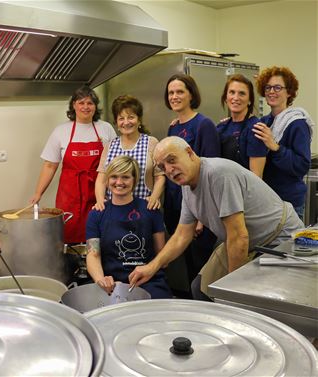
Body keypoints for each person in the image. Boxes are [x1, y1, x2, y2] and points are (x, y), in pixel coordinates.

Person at [129, 136, 304, 300]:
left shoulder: (219, 174)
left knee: (252, 302)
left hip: (277, 240)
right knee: (200, 288)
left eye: (171, 160)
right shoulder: (187, 186)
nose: (168, 170)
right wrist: (152, 267)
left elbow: (239, 237)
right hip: (243, 242)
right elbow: (182, 235)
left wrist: (233, 291)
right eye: (162, 166)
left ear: (189, 153)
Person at [30, 86, 116, 244]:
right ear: (73, 106)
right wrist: (38, 192)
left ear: (95, 106)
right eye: (81, 102)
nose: (85, 107)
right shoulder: (61, 131)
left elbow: (115, 162)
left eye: (90, 103)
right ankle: (72, 265)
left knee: (99, 233)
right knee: (70, 233)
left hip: (98, 191)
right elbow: (50, 165)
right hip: (69, 194)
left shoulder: (106, 128)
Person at [163, 74, 221, 289]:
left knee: (202, 270)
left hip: (199, 211)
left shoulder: (203, 125)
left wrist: (201, 219)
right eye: (171, 93)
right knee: (186, 265)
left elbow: (210, 172)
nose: (175, 96)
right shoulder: (173, 127)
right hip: (176, 206)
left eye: (180, 92)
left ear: (191, 95)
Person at [86, 155, 172, 299]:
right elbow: (93, 254)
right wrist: (101, 280)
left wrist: (148, 271)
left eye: (125, 177)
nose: (119, 182)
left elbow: (161, 255)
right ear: (107, 180)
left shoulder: (150, 209)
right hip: (111, 281)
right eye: (114, 177)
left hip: (148, 281)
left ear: (134, 180)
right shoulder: (97, 213)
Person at [252, 66, 313, 219]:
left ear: (289, 92)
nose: (272, 91)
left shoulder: (297, 123)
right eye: (268, 87)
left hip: (289, 203)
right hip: (267, 200)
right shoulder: (264, 122)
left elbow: (302, 166)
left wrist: (276, 147)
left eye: (278, 87)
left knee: (286, 244)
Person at [95, 95, 165, 211]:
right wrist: (100, 200)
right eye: (121, 118)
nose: (126, 122)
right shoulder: (110, 146)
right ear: (116, 122)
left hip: (144, 207)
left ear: (139, 120)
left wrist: (154, 197)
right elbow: (101, 179)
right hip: (114, 208)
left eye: (131, 117)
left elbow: (160, 177)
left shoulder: (151, 143)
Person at [216, 74, 267, 177]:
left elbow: (256, 177)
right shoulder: (221, 127)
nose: (236, 98)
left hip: (244, 190)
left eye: (242, 94)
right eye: (232, 92)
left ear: (249, 100)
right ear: (226, 97)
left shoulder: (255, 129)